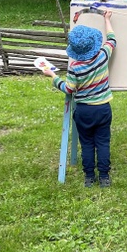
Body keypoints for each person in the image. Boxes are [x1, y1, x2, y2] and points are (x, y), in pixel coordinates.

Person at [42, 10, 117, 186]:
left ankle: (89, 177)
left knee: (87, 144)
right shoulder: (102, 56)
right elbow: (112, 39)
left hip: (83, 111)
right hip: (103, 108)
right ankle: (105, 177)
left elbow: (69, 89)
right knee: (103, 143)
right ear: (94, 44)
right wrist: (106, 19)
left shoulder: (74, 67)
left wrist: (53, 77)